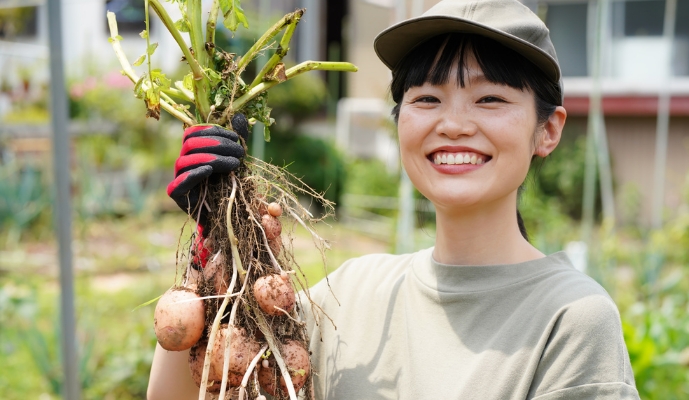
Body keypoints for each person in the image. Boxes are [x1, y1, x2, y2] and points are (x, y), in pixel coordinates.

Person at [148, 0, 640, 399]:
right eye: (427, 99)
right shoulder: (354, 293)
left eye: (490, 99)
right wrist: (212, 249)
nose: (453, 124)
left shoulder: (571, 318)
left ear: (548, 129)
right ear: (400, 119)